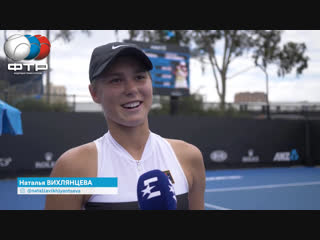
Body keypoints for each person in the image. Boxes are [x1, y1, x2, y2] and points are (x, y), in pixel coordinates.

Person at [45, 42, 206, 210]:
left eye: (139, 77)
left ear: (150, 82)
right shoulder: (73, 167)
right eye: (116, 80)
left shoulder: (189, 157)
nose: (131, 89)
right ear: (94, 93)